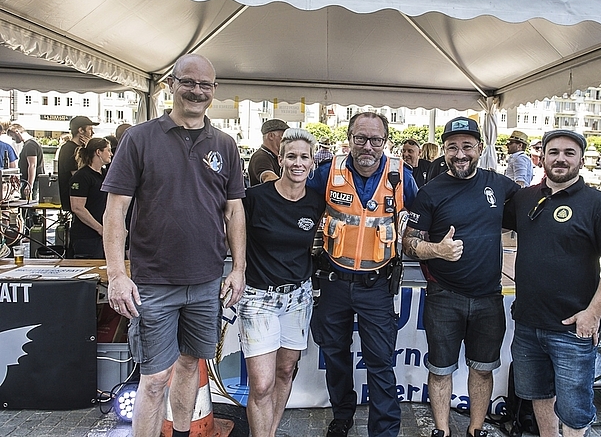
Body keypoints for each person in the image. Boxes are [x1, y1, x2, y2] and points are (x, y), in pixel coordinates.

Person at [102, 54, 246, 437]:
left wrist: (238, 269)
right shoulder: (139, 138)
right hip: (154, 282)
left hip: (206, 282)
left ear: (214, 91)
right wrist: (117, 274)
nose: (197, 91)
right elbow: (115, 211)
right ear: (170, 84)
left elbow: (234, 212)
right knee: (153, 379)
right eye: (189, 82)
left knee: (189, 365)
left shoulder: (225, 144)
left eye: (206, 85)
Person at [503, 129, 601, 437]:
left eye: (569, 153)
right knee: (538, 393)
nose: (560, 159)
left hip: (573, 327)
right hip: (529, 323)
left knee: (574, 408)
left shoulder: (599, 205)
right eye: (554, 152)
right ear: (542, 158)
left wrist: (593, 313)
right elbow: (487, 223)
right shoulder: (524, 199)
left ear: (581, 161)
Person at [402, 117, 519, 437]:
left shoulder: (499, 184)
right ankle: (441, 430)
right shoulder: (429, 192)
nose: (460, 153)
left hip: (489, 297)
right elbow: (408, 243)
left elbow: (532, 209)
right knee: (440, 371)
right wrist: (437, 250)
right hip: (444, 296)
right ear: (444, 150)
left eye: (467, 146)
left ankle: (476, 429)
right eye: (452, 147)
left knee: (482, 371)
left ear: (480, 148)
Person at [307, 111, 418, 437]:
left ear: (386, 141)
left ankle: (384, 431)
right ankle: (342, 416)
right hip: (333, 284)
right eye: (360, 138)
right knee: (335, 356)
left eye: (375, 139)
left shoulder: (402, 177)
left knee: (381, 363)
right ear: (349, 138)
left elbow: (424, 216)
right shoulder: (328, 173)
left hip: (377, 287)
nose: (367, 146)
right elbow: (296, 205)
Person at [238, 128, 326, 437]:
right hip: (257, 298)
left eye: (304, 157)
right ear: (280, 159)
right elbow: (231, 234)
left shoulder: (316, 203)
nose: (298, 163)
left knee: (286, 371)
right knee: (261, 384)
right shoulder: (254, 198)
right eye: (291, 156)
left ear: (312, 162)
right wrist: (236, 269)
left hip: (298, 298)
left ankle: (269, 432)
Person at [68, 137, 112, 258]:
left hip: (103, 234)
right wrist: (100, 228)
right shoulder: (82, 176)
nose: (111, 154)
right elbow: (77, 207)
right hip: (87, 236)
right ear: (98, 152)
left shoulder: (105, 174)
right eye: (108, 150)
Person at [59, 116, 98, 211]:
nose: (92, 133)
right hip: (76, 199)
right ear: (81, 130)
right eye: (90, 129)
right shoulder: (68, 149)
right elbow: (78, 175)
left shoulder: (81, 148)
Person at [7, 124, 44, 200]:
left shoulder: (30, 145)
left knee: (29, 206)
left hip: (29, 180)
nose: (13, 139)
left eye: (12, 136)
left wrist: (29, 184)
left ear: (17, 132)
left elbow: (32, 165)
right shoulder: (32, 143)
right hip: (32, 180)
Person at [248, 119, 289, 186]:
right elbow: (267, 176)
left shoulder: (273, 156)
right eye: (283, 136)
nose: (287, 140)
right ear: (271, 136)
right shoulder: (261, 157)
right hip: (264, 196)